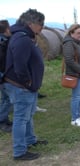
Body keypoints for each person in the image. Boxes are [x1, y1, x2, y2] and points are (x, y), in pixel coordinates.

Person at [3, 9, 48, 160]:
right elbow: (20, 65)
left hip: (24, 86)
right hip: (21, 86)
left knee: (28, 116)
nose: (42, 27)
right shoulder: (21, 38)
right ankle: (19, 152)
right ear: (31, 23)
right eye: (40, 23)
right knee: (21, 118)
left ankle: (30, 140)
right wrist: (27, 82)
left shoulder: (23, 36)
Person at [62, 23, 80, 127]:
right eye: (78, 33)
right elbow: (69, 60)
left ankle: (78, 114)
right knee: (77, 96)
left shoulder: (77, 42)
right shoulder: (68, 43)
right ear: (71, 33)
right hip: (77, 75)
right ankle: (74, 119)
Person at [0, 19, 13, 133]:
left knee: (5, 98)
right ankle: (2, 121)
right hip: (2, 74)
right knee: (6, 99)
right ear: (7, 29)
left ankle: (4, 119)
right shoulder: (3, 42)